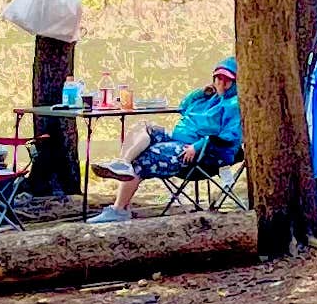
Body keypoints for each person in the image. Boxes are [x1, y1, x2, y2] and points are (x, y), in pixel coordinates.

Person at [95, 59, 241, 216]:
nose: (221, 83)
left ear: (235, 82)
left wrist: (197, 147)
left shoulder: (234, 105)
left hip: (199, 153)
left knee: (144, 158)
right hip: (178, 138)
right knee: (143, 127)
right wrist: (201, 92)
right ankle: (123, 164)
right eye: (218, 78)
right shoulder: (209, 98)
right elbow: (183, 106)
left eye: (227, 80)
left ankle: (119, 210)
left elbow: (228, 137)